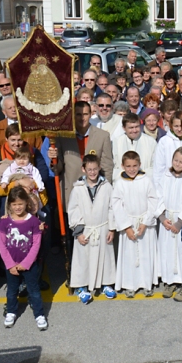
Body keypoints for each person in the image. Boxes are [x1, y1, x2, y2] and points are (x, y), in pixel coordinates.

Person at [67, 154, 117, 304]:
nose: (93, 172)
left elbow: (111, 207)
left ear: (99, 168)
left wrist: (112, 228)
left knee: (105, 257)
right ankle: (81, 287)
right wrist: (79, 231)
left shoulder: (106, 187)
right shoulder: (78, 188)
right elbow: (73, 209)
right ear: (84, 169)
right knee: (83, 259)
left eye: (95, 169)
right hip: (86, 230)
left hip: (102, 227)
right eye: (89, 169)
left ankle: (106, 283)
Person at [0, 187, 47, 330]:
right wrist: (10, 264)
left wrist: (26, 263)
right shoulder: (4, 222)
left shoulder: (33, 222)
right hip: (11, 265)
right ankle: (11, 312)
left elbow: (36, 244)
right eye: (14, 204)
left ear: (26, 203)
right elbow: (2, 244)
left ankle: (39, 314)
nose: (17, 207)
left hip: (29, 265)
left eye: (20, 204)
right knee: (12, 290)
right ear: (9, 205)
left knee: (34, 290)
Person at [112, 151, 159, 298]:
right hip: (129, 224)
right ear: (122, 166)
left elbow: (153, 201)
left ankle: (146, 284)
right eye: (128, 166)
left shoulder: (146, 180)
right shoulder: (119, 183)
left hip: (144, 223)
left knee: (145, 254)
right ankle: (129, 284)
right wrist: (126, 227)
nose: (132, 169)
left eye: (134, 166)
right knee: (129, 255)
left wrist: (145, 222)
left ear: (139, 165)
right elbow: (116, 205)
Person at [49, 101, 114, 205]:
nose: (82, 118)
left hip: (95, 191)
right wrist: (54, 160)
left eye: (85, 114)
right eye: (78, 114)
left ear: (90, 115)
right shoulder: (62, 136)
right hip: (70, 191)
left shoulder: (103, 136)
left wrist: (106, 189)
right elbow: (58, 168)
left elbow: (107, 167)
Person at [156, 147, 182, 302]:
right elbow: (158, 196)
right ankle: (170, 281)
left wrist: (180, 222)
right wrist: (162, 217)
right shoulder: (165, 176)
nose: (178, 164)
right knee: (167, 251)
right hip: (167, 219)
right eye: (175, 160)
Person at [152, 112, 182, 195]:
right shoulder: (165, 141)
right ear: (171, 125)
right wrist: (158, 191)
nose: (179, 129)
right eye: (176, 126)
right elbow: (158, 168)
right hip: (168, 185)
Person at [112, 113, 157, 177]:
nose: (134, 130)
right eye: (131, 127)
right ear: (124, 128)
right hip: (122, 181)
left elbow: (155, 165)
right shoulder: (116, 142)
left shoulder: (150, 142)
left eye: (137, 127)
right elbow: (114, 165)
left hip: (144, 181)